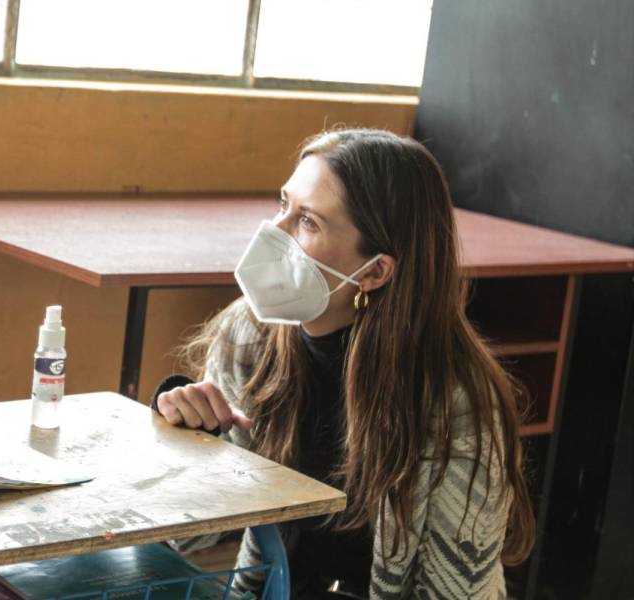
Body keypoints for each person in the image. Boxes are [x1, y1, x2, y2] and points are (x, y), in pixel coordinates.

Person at [153, 129, 534, 598]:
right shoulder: (249, 334)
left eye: (309, 222)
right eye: (283, 205)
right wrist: (194, 436)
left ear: (374, 271)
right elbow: (189, 535)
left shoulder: (457, 402)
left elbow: (455, 590)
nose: (276, 232)